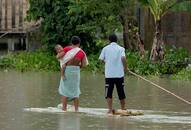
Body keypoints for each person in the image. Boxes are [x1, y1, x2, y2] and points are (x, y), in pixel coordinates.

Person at [56, 36, 88, 112]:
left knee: (65, 90)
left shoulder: (67, 49)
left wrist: (60, 55)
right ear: (79, 43)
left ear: (71, 42)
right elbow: (84, 65)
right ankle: (76, 109)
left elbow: (58, 57)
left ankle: (64, 109)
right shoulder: (81, 52)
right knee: (75, 91)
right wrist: (78, 67)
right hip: (76, 71)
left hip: (67, 70)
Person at [99, 34, 128, 114]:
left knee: (108, 93)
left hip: (109, 75)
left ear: (109, 40)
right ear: (116, 40)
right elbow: (123, 58)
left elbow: (101, 59)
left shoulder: (105, 49)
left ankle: (109, 109)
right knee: (121, 92)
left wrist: (106, 61)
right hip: (119, 75)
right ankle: (123, 108)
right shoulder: (121, 49)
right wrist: (126, 68)